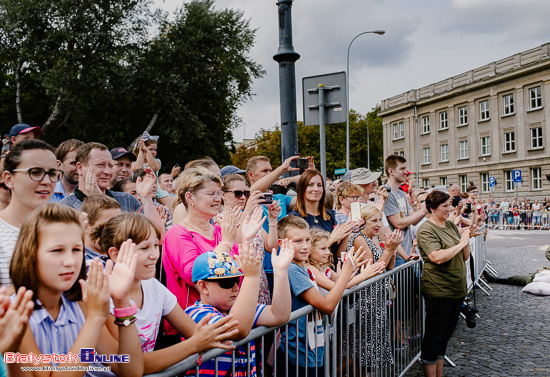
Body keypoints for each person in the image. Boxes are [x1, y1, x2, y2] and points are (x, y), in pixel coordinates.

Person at [8, 203, 143, 377]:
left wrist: (121, 301)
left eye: (76, 250)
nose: (70, 261)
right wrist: (95, 319)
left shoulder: (80, 307)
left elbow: (129, 369)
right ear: (30, 253)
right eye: (57, 250)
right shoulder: (16, 315)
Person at [93, 212, 239, 374]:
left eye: (156, 246)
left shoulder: (154, 288)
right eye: (144, 248)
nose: (154, 255)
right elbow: (132, 366)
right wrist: (194, 345)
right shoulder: (100, 295)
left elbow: (197, 332)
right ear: (115, 254)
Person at [186, 237, 294, 376]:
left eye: (237, 280)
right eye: (228, 282)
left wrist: (280, 272)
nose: (236, 288)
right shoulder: (196, 314)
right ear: (204, 286)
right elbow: (237, 329)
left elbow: (278, 315)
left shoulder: (235, 308)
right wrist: (251, 277)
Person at [276, 216, 368, 377]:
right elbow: (327, 306)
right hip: (299, 351)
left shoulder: (301, 267)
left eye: (307, 240)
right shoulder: (292, 269)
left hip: (311, 346)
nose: (305, 246)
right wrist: (346, 273)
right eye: (298, 241)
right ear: (282, 244)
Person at [162, 167, 242, 337]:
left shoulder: (220, 231)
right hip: (190, 327)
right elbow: (195, 275)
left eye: (219, 193)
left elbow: (240, 271)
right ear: (189, 197)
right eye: (211, 193)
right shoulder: (177, 233)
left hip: (226, 320)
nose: (218, 199)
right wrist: (227, 243)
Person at [416, 190, 472, 377]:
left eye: (450, 205)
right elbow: (436, 257)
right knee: (434, 336)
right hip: (439, 290)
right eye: (445, 206)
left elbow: (464, 256)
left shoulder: (449, 224)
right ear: (432, 208)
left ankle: (439, 373)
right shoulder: (426, 229)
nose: (450, 209)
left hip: (457, 288)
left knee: (445, 335)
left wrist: (467, 240)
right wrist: (461, 242)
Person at [345, 205, 403, 370]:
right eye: (374, 221)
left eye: (379, 220)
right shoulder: (358, 238)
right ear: (363, 222)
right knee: (362, 349)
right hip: (365, 298)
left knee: (371, 347)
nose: (378, 224)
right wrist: (390, 249)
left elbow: (388, 266)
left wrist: (392, 248)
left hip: (377, 297)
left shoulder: (373, 238)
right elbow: (374, 269)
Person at [0, 140, 60, 287]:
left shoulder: (65, 227)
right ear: (9, 179)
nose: (47, 181)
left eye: (52, 173)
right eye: (35, 172)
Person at [221, 173, 279, 304]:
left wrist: (272, 219)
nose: (242, 197)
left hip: (259, 279)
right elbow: (238, 243)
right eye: (237, 193)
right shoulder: (219, 220)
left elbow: (272, 247)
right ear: (223, 195)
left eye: (246, 193)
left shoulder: (251, 217)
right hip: (239, 282)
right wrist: (247, 211)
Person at [289, 169, 355, 259]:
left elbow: (338, 254)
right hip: (310, 271)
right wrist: (331, 239)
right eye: (310, 185)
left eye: (319, 185)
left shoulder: (331, 216)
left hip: (333, 269)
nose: (316, 189)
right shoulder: (294, 219)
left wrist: (348, 231)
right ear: (302, 188)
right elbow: (302, 256)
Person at [383, 155, 427, 265]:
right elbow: (398, 223)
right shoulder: (386, 193)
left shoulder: (401, 193)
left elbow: (414, 220)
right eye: (402, 169)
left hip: (407, 253)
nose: (405, 172)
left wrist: (426, 209)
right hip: (396, 256)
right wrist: (423, 211)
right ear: (391, 171)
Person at [81, 195, 122, 267]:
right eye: (107, 225)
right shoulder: (78, 260)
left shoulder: (122, 256)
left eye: (118, 225)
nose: (115, 231)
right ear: (86, 226)